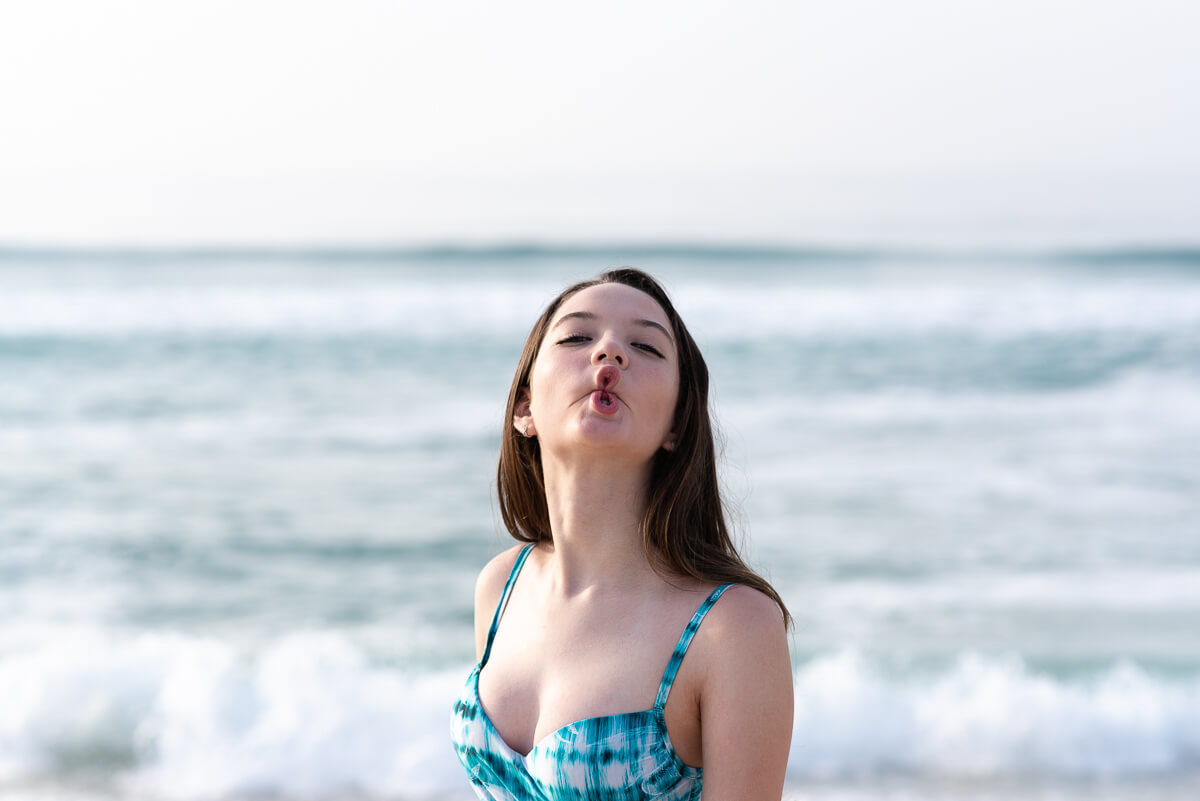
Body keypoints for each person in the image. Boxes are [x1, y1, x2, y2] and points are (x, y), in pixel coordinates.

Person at [450, 268, 793, 800]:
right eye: (576, 337)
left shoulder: (731, 628)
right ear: (524, 407)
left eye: (646, 347)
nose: (610, 352)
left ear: (677, 425)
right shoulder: (500, 587)